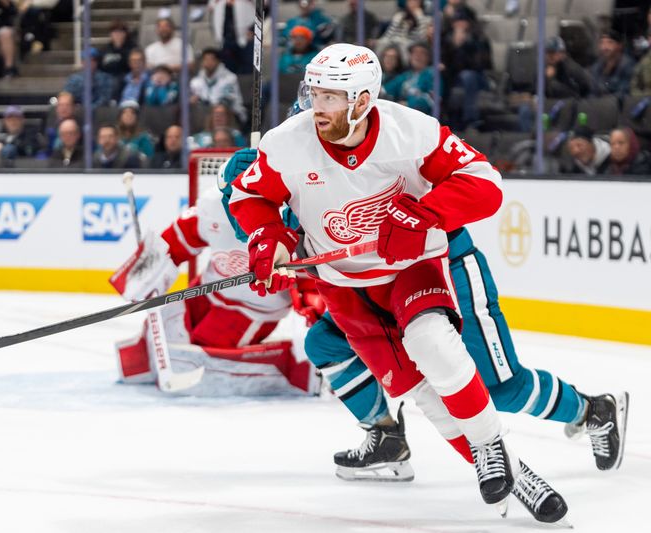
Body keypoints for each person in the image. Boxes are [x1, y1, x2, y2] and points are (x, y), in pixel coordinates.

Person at [228, 42, 567, 523]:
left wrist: (423, 215)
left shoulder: (411, 132)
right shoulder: (288, 142)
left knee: (432, 342)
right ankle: (514, 473)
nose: (314, 107)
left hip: (412, 268)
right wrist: (267, 238)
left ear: (363, 101)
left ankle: (490, 443)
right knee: (423, 393)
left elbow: (485, 183)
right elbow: (251, 197)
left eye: (329, 98)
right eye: (313, 92)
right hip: (344, 288)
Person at [110, 183, 319, 397]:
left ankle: (288, 367)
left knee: (201, 352)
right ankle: (142, 363)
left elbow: (309, 285)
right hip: (207, 290)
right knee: (166, 319)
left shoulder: (289, 223)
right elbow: (177, 239)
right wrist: (147, 270)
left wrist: (313, 319)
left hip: (253, 309)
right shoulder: (214, 208)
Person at [190, 48, 247, 123]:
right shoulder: (196, 81)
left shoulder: (230, 78)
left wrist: (208, 104)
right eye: (206, 59)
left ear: (218, 61)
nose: (208, 62)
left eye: (211, 59)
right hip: (205, 115)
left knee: (219, 111)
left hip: (231, 115)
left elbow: (227, 101)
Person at [382, 41, 435, 115]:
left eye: (422, 53)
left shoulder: (432, 73)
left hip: (423, 118)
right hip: (404, 116)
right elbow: (386, 89)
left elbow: (433, 100)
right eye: (414, 53)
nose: (417, 56)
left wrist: (408, 104)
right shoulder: (406, 75)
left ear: (428, 57)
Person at [591, 30, 635, 98]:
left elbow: (623, 93)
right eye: (602, 43)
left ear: (619, 45)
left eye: (610, 42)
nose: (605, 47)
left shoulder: (627, 65)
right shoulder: (597, 66)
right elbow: (592, 92)